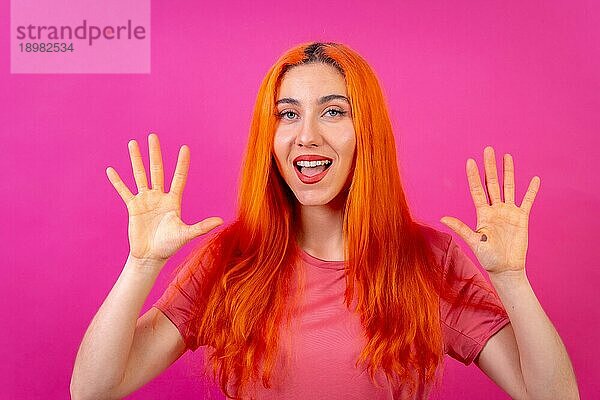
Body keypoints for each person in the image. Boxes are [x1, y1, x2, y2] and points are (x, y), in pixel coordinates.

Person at [70, 42, 579, 400]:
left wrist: (511, 279)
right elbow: (93, 389)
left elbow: (553, 395)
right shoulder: (232, 260)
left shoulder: (429, 261)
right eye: (287, 114)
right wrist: (140, 264)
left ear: (367, 133)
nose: (306, 135)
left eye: (333, 111)